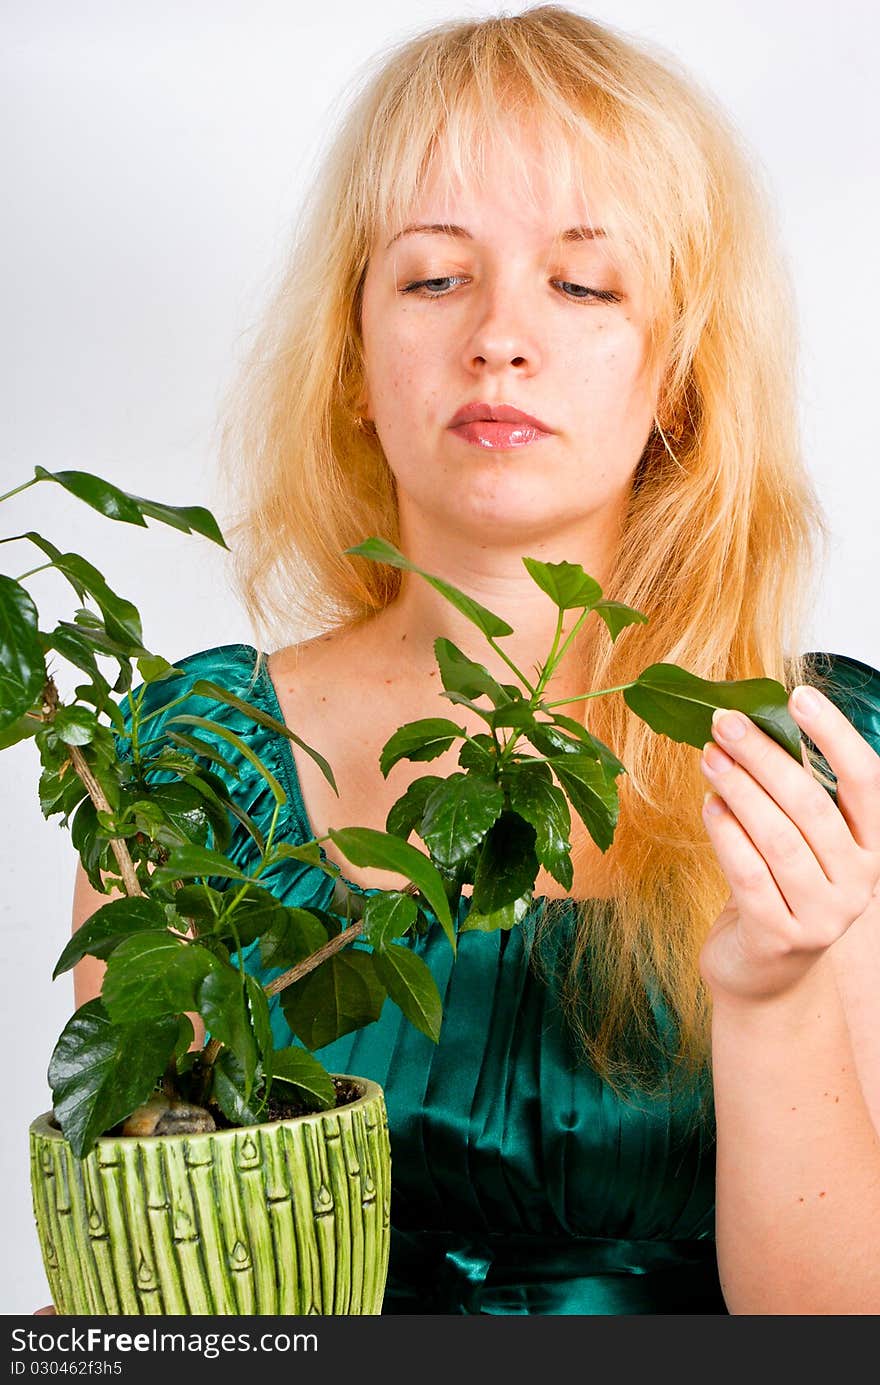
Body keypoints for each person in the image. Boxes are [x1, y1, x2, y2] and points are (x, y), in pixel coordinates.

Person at [64, 5, 880, 1315]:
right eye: (436, 276)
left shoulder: (827, 763)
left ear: (677, 378)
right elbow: (148, 1300)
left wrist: (773, 996)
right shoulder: (195, 760)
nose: (500, 334)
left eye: (583, 282)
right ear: (351, 364)